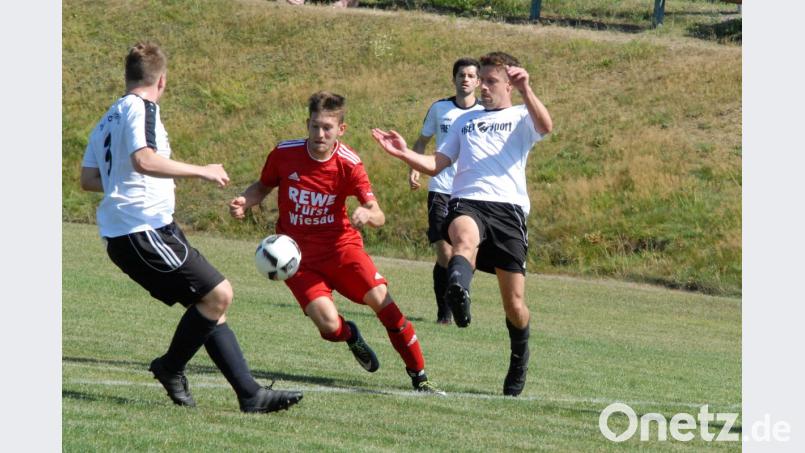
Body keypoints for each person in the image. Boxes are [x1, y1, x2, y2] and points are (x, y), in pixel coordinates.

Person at [79, 41, 302, 413]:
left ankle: (251, 395)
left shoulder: (109, 116)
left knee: (211, 307)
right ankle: (170, 367)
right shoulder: (143, 108)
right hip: (143, 230)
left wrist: (140, 179)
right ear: (161, 80)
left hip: (139, 231)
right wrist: (202, 170)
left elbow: (89, 178)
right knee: (220, 294)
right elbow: (145, 159)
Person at [229, 91, 445, 395]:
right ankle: (351, 336)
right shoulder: (284, 154)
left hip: (342, 249)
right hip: (298, 259)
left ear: (340, 130)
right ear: (308, 124)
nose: (320, 134)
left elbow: (378, 214)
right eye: (315, 126)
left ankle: (420, 377)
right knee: (330, 328)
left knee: (383, 303)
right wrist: (245, 201)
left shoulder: (349, 164)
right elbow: (262, 186)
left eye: (327, 128)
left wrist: (367, 213)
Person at [372, 51, 553, 396]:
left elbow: (546, 126)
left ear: (509, 85)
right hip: (467, 201)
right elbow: (436, 163)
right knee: (463, 241)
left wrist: (528, 90)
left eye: (490, 81)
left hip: (509, 212)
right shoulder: (463, 122)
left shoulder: (520, 115)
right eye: (480, 80)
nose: (482, 87)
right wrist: (402, 153)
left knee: (514, 306)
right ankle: (459, 291)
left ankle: (519, 357)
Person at [407, 57, 483, 325]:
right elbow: (421, 141)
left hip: (470, 192)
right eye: (461, 74)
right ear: (454, 78)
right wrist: (414, 167)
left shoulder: (485, 113)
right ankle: (444, 313)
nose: (466, 79)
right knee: (445, 253)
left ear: (478, 81)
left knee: (466, 256)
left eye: (471, 75)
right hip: (440, 188)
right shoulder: (440, 108)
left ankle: (460, 301)